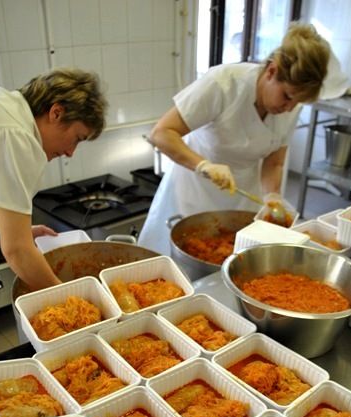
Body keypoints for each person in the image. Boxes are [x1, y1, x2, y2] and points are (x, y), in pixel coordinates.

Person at [138, 23, 334, 256]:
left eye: (297, 102)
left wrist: (272, 195)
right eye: (287, 96)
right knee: (183, 261)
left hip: (243, 199)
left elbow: (274, 162)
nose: (289, 107)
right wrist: (203, 165)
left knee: (235, 262)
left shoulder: (290, 106)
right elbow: (161, 133)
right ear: (271, 71)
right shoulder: (223, 83)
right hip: (192, 194)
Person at [0, 67, 107, 367]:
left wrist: (18, 229)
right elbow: (16, 251)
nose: (71, 153)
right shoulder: (15, 136)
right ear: (56, 112)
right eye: (77, 138)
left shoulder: (4, 108)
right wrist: (69, 299)